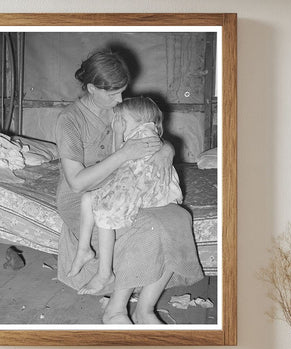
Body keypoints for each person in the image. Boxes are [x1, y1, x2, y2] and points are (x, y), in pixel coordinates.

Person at [55, 49, 204, 324]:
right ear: (91, 88)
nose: (119, 100)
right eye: (112, 94)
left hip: (127, 189)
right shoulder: (70, 121)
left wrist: (166, 150)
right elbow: (76, 183)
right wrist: (123, 155)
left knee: (178, 218)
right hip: (83, 198)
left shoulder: (121, 109)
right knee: (148, 227)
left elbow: (151, 133)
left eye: (122, 92)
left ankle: (145, 310)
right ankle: (115, 310)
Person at [67, 97, 184, 300]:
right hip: (138, 184)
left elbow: (127, 164)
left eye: (121, 119)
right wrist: (120, 133)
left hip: (149, 191)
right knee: (88, 199)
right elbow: (121, 157)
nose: (116, 122)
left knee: (104, 211)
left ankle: (105, 272)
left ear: (138, 119)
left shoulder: (144, 135)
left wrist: (120, 133)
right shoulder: (142, 132)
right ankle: (84, 249)